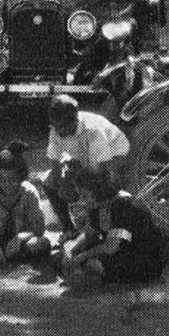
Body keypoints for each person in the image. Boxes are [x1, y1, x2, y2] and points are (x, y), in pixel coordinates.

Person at [60, 164, 165, 287]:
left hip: (143, 256)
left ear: (96, 190)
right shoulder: (97, 206)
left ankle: (96, 278)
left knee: (92, 265)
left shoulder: (123, 205)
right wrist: (73, 250)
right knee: (75, 253)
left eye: (84, 194)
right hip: (122, 249)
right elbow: (90, 233)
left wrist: (81, 257)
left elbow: (111, 246)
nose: (82, 199)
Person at [42, 96, 130, 237]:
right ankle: (69, 229)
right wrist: (63, 185)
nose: (57, 131)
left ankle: (98, 229)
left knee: (99, 185)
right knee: (49, 183)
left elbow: (102, 168)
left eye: (62, 127)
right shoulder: (56, 128)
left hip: (115, 156)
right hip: (85, 158)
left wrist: (78, 181)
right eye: (55, 126)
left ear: (74, 122)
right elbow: (55, 162)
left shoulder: (93, 131)